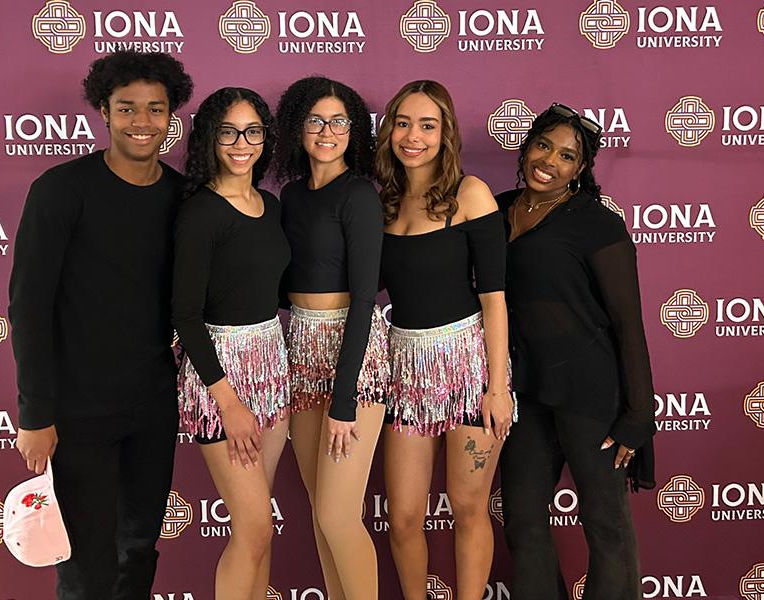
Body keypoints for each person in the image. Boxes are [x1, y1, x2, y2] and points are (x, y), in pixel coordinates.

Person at [8, 50, 193, 599]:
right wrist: (36, 414)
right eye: (127, 108)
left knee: (138, 548)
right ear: (104, 113)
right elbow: (29, 306)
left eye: (155, 109)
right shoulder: (61, 190)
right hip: (76, 409)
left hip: (153, 405)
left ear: (171, 115)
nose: (142, 122)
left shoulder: (182, 197)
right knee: (86, 558)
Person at [496, 103, 656, 600]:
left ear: (581, 169)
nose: (550, 161)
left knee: (605, 523)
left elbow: (629, 323)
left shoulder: (596, 222)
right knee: (522, 518)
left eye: (568, 155)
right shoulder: (494, 210)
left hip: (590, 393)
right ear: (526, 147)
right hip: (523, 391)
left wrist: (638, 413)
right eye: (544, 145)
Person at [375, 80, 514, 600]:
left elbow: (495, 298)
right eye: (404, 124)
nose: (414, 136)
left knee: (468, 506)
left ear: (445, 133)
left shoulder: (470, 194)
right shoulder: (383, 204)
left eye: (427, 125)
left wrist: (496, 388)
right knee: (405, 516)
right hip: (405, 371)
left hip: (469, 368)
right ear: (389, 131)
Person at [173, 87, 290, 600]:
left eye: (253, 131)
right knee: (254, 529)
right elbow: (185, 316)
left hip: (272, 366)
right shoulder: (201, 213)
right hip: (220, 377)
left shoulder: (271, 204)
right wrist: (229, 401)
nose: (242, 143)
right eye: (228, 132)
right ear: (209, 139)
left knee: (259, 531)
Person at [273, 76, 388, 600]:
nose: (326, 131)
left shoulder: (360, 195)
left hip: (353, 355)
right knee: (322, 516)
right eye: (315, 120)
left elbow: (365, 297)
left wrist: (345, 399)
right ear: (297, 128)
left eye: (339, 121)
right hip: (299, 352)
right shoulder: (290, 196)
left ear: (354, 131)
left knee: (341, 517)